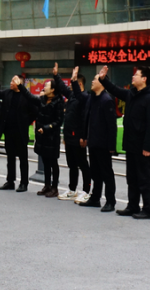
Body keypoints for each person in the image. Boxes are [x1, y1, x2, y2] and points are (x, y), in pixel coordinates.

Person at [99, 64, 150, 219]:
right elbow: (115, 90)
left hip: (142, 146)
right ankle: (133, 206)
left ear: (144, 79)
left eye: (136, 75)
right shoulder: (131, 94)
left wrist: (148, 146)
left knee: (144, 178)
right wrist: (103, 79)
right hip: (131, 143)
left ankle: (149, 209)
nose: (133, 77)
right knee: (131, 177)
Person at [0, 73, 33, 192]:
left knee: (23, 158)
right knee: (10, 157)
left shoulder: (26, 96)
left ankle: (24, 183)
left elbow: (34, 111)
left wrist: (26, 122)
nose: (11, 83)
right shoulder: (7, 93)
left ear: (19, 83)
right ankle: (10, 181)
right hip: (8, 130)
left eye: (13, 81)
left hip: (21, 131)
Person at [52, 64, 92, 202]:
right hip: (69, 135)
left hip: (78, 136)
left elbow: (84, 119)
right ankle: (72, 189)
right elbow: (63, 88)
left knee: (83, 164)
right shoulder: (72, 95)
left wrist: (83, 136)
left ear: (79, 84)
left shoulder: (85, 97)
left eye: (73, 83)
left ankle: (86, 190)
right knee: (72, 164)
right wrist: (56, 75)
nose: (70, 86)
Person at [78, 74, 117, 212]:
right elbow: (87, 119)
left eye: (95, 79)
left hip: (103, 143)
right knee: (95, 172)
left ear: (102, 83)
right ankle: (95, 198)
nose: (92, 81)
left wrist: (111, 146)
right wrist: (84, 136)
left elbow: (112, 125)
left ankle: (110, 201)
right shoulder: (92, 98)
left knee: (106, 173)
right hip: (93, 141)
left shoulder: (107, 100)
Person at [27, 78, 64, 198]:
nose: (44, 87)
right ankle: (47, 185)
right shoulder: (42, 99)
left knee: (53, 162)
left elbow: (59, 121)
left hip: (52, 137)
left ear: (52, 89)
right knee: (45, 162)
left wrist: (47, 128)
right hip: (42, 136)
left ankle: (54, 187)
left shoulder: (58, 102)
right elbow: (30, 97)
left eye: (47, 85)